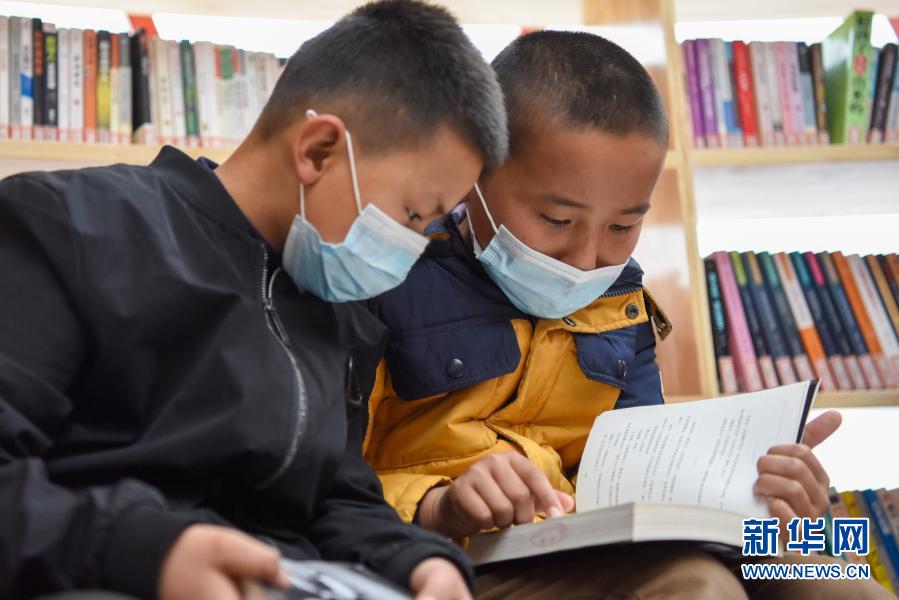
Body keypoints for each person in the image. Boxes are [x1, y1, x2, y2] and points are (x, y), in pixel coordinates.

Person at [0, 2, 508, 599]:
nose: (412, 246)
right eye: (412, 214)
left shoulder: (342, 309)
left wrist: (418, 563)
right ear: (318, 150)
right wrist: (144, 551)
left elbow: (335, 495)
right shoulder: (67, 225)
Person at [363, 31, 891, 599]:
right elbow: (326, 485)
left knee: (842, 585)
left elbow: (642, 484)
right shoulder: (384, 277)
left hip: (594, 548)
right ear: (474, 170)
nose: (586, 259)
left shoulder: (623, 301)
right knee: (698, 589)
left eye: (623, 226)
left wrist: (763, 501)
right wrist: (439, 506)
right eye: (557, 220)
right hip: (447, 555)